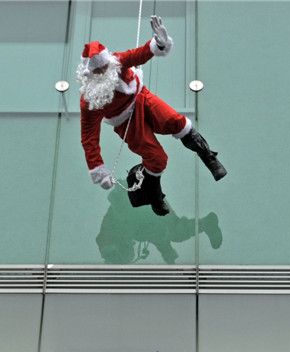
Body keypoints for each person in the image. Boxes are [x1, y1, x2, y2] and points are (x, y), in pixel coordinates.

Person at [78, 15, 226, 217]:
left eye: (104, 66)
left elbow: (139, 54)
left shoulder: (118, 62)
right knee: (156, 157)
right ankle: (155, 196)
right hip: (125, 122)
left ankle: (209, 158)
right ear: (90, 73)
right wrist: (98, 168)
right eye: (98, 70)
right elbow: (89, 138)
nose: (104, 71)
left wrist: (159, 43)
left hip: (142, 99)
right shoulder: (90, 100)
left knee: (175, 121)